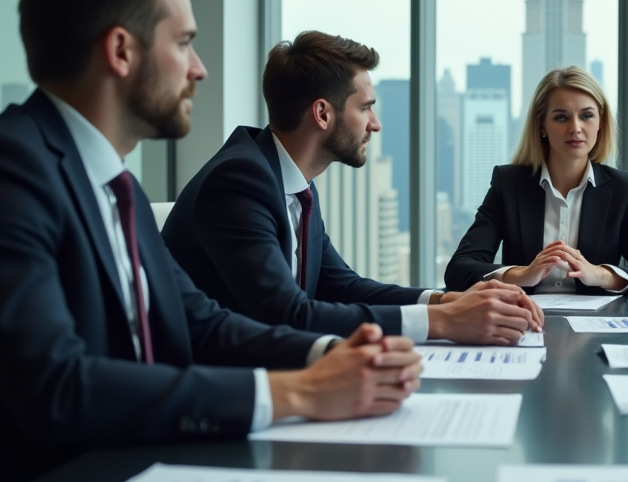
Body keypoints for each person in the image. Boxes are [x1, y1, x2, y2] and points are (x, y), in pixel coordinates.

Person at [0, 0, 422, 482]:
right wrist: (298, 392)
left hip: (140, 473)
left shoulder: (113, 181)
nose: (198, 69)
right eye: (183, 43)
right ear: (121, 50)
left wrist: (332, 353)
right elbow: (60, 387)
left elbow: (199, 321)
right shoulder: (2, 170)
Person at [162, 31, 542, 345]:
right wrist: (441, 322)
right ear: (323, 113)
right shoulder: (241, 181)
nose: (375, 124)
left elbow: (340, 286)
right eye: (365, 108)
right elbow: (286, 312)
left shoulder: (290, 180)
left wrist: (448, 300)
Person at [445, 67, 628, 295]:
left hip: (599, 325)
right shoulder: (508, 184)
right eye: (561, 117)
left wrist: (598, 274)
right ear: (542, 125)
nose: (575, 128)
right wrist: (520, 275)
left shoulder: (624, 188)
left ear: (600, 122)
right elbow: (458, 270)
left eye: (586, 116)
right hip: (522, 320)